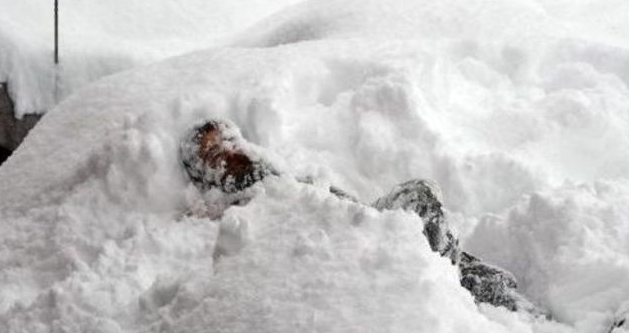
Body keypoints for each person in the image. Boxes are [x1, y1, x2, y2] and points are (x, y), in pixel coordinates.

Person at [180, 119, 542, 314]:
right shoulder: (242, 212)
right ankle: (476, 299)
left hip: (372, 222)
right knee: (424, 208)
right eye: (215, 152)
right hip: (365, 251)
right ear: (209, 172)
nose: (229, 149)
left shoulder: (273, 172)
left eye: (227, 138)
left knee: (441, 230)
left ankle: (512, 311)